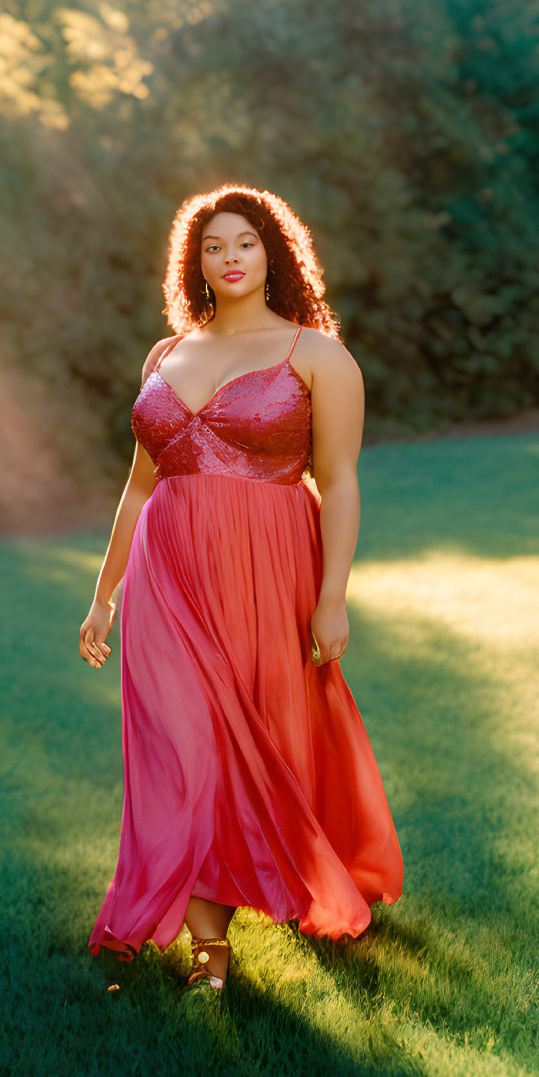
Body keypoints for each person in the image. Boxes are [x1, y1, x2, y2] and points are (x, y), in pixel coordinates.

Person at [78, 183, 403, 996]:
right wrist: (103, 593)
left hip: (269, 570)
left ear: (273, 252)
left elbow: (341, 481)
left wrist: (331, 596)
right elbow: (137, 487)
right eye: (212, 246)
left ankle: (275, 887)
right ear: (195, 262)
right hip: (169, 574)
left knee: (255, 745)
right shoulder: (165, 356)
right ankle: (208, 949)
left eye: (244, 243)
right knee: (181, 750)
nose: (228, 258)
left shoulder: (316, 355)